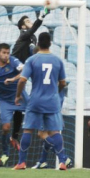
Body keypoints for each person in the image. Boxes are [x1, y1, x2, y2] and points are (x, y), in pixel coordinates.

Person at [13, 32, 68, 170]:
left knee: (28, 130)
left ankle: (21, 162)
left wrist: (18, 95)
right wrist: (55, 91)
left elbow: (22, 80)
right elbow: (63, 83)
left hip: (36, 100)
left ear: (38, 44)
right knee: (55, 132)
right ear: (50, 43)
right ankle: (62, 161)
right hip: (52, 101)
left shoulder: (32, 60)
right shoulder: (57, 60)